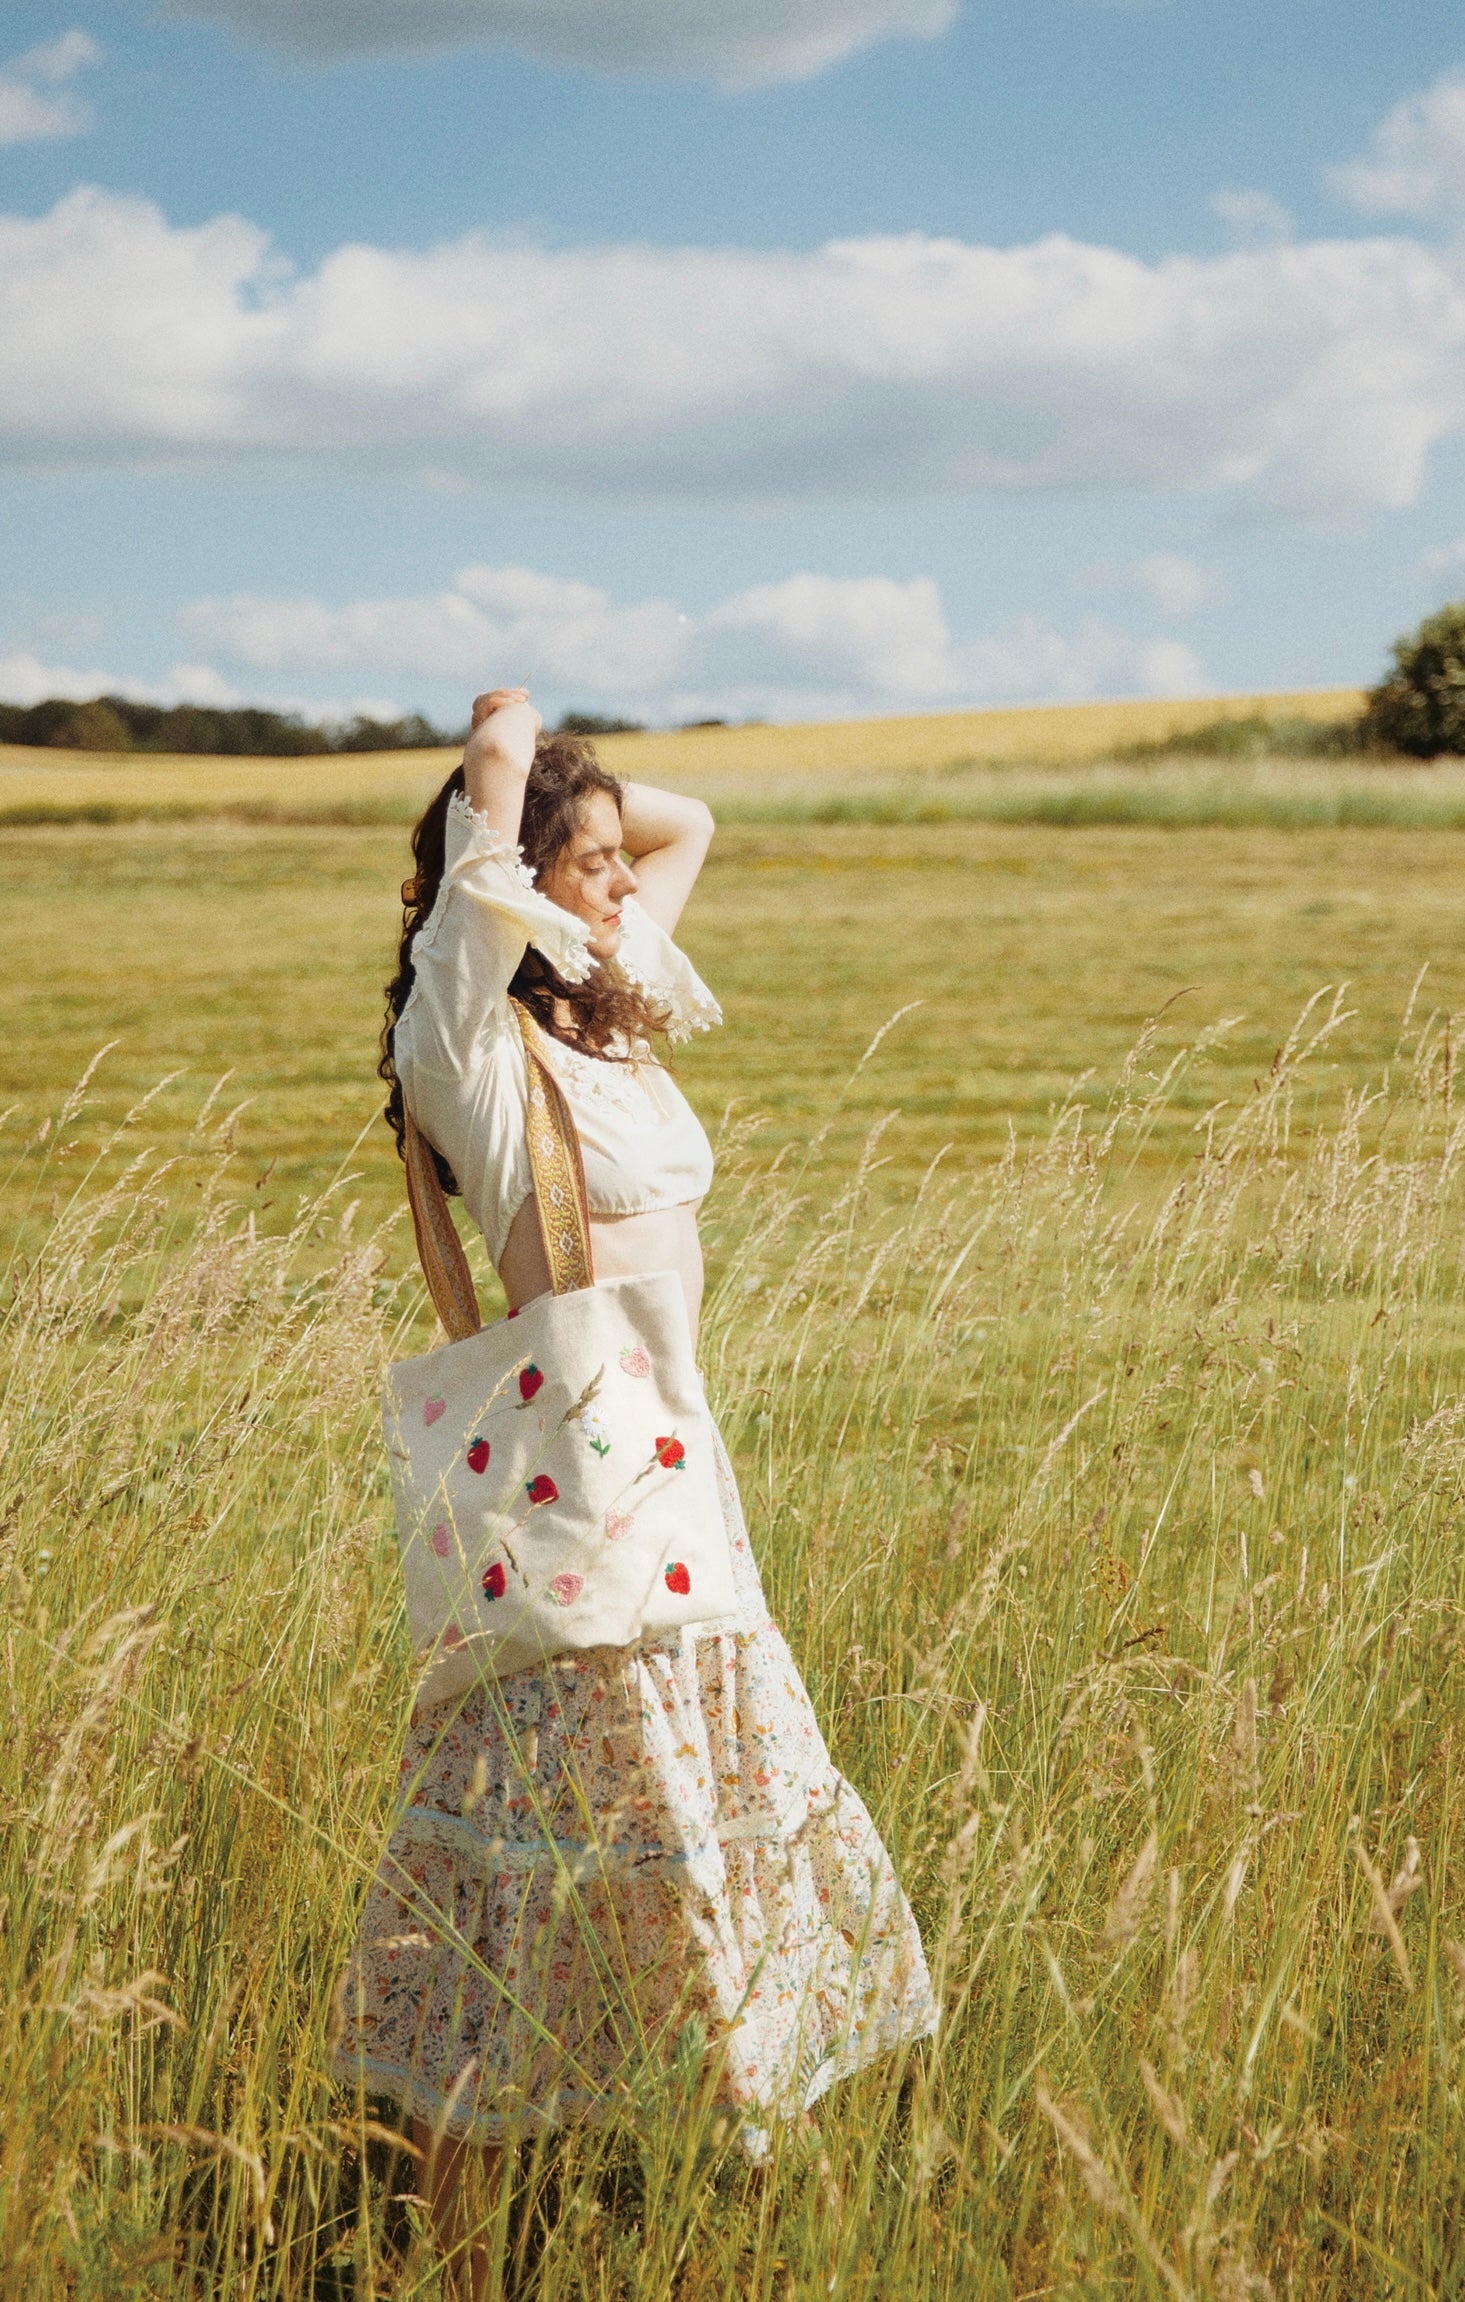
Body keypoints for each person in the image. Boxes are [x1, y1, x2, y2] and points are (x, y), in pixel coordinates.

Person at [331, 690, 936, 2297]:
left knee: (692, 1853)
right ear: (518, 889)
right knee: (536, 1878)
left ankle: (714, 2217)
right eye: (580, 867)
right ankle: (463, 2248)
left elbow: (692, 828)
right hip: (568, 1506)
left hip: (683, 1487)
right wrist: (507, 742)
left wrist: (584, 801)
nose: (618, 883)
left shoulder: (609, 1012)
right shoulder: (467, 1044)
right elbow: (483, 863)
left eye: (607, 865)